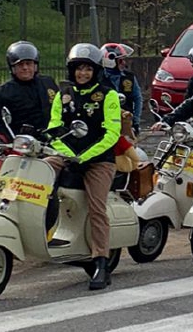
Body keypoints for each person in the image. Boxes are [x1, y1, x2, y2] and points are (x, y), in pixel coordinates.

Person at [45, 43, 121, 290]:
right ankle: (43, 228)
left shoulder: (108, 95)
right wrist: (68, 155)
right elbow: (55, 128)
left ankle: (101, 261)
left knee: (97, 207)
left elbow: (112, 133)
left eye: (88, 69)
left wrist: (85, 157)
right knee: (41, 171)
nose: (83, 73)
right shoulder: (63, 93)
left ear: (96, 71)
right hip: (67, 155)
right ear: (72, 70)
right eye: (78, 68)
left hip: (99, 160)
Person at [0, 41, 59, 141]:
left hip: (52, 141)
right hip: (20, 145)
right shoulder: (1, 93)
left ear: (35, 66)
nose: (25, 67)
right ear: (12, 68)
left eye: (28, 63)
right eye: (20, 64)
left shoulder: (48, 83)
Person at [100, 43, 143, 136]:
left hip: (125, 121)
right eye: (120, 61)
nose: (124, 63)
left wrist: (135, 120)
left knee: (130, 147)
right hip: (105, 122)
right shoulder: (99, 79)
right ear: (110, 60)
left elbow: (138, 98)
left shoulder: (129, 77)